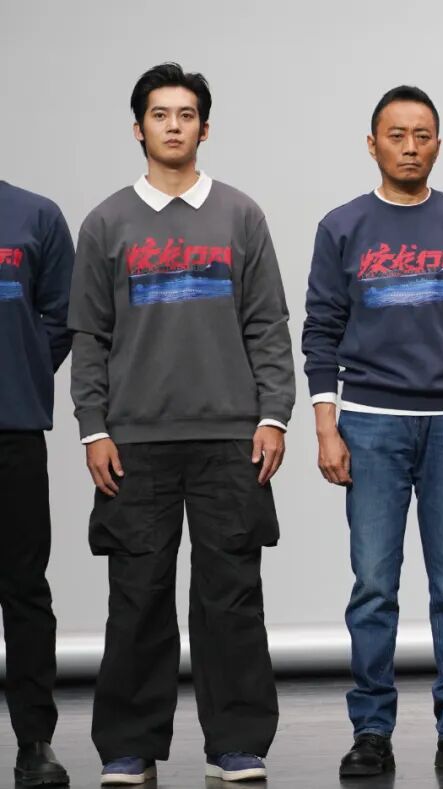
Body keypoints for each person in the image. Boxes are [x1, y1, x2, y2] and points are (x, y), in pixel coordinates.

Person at [68, 62, 295, 784]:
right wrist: (93, 428)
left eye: (186, 114)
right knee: (136, 597)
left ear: (205, 127)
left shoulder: (240, 215)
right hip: (134, 441)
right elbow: (89, 335)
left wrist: (273, 416)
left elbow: (267, 324)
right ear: (138, 128)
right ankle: (129, 745)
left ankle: (237, 742)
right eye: (160, 114)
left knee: (231, 597)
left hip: (232, 437)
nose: (174, 125)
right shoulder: (106, 222)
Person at [302, 85, 443, 777]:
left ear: (438, 145)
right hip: (370, 424)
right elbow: (320, 330)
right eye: (396, 134)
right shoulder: (342, 226)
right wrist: (327, 426)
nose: (410, 146)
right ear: (373, 144)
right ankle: (371, 730)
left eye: (422, 135)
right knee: (373, 584)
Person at [0, 180, 74, 786]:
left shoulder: (36, 215)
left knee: (24, 589)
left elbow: (63, 314)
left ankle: (34, 742)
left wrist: (21, 368)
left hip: (13, 429)